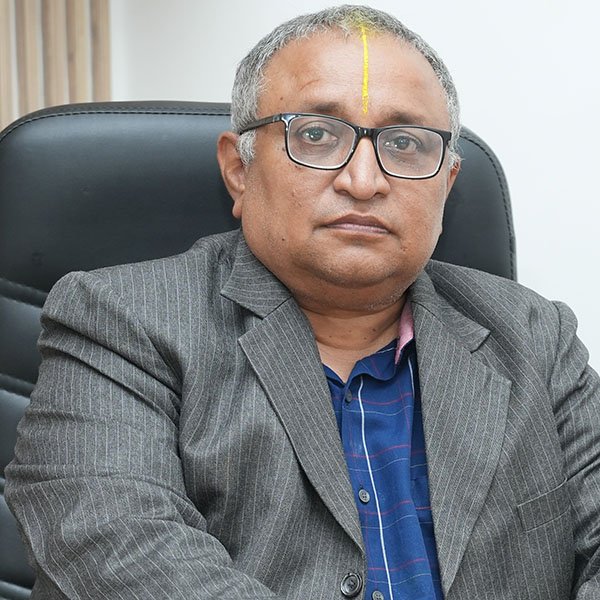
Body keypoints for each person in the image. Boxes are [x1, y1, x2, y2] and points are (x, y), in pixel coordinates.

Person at [6, 5, 600, 599]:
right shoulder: (117, 323)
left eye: (405, 144)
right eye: (316, 135)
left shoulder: (535, 336)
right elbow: (121, 551)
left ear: (446, 183)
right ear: (239, 170)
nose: (363, 181)